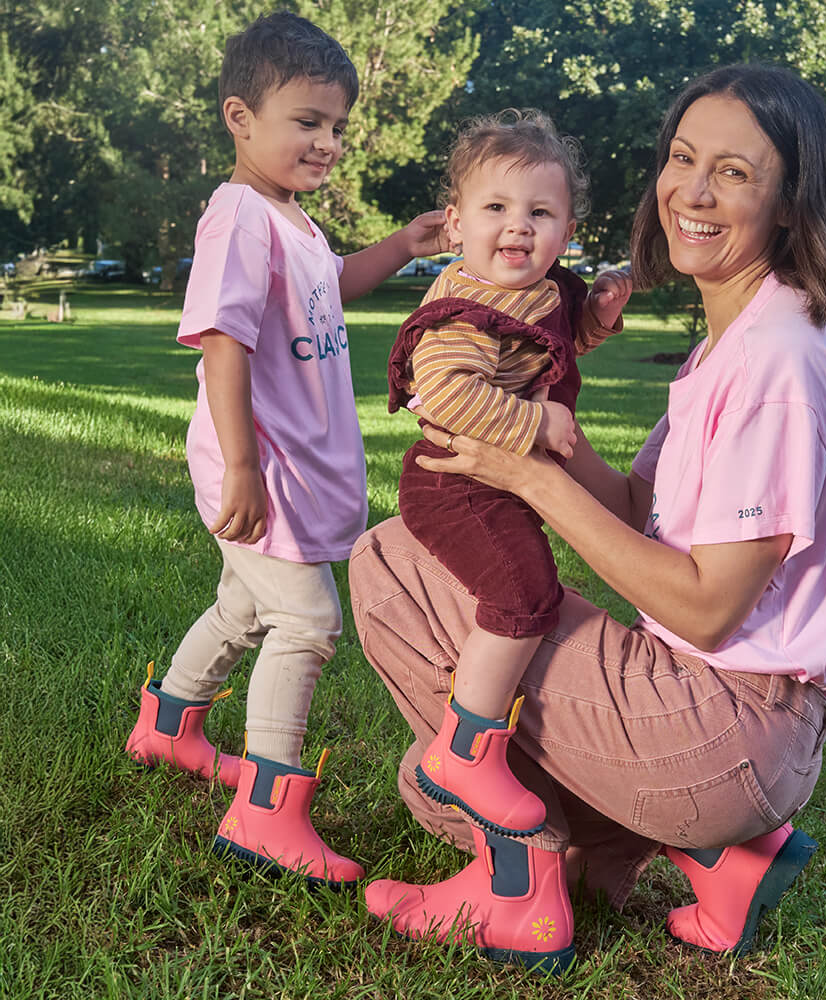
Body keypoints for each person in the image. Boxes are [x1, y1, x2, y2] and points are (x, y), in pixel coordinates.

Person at [349, 63, 826, 973]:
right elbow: (645, 508)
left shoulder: (775, 366)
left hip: (725, 723)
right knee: (435, 764)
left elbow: (710, 607)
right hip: (742, 726)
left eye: (737, 173)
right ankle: (714, 857)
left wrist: (530, 476)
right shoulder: (743, 334)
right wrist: (556, 442)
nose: (694, 191)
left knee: (389, 564)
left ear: (794, 204)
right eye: (683, 158)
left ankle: (518, 893)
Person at [125, 10, 447, 890]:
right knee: (305, 621)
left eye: (337, 126)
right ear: (241, 117)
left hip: (298, 472)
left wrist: (403, 247)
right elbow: (223, 341)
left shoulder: (292, 221)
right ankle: (266, 814)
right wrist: (241, 467)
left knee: (242, 609)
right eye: (307, 121)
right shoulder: (237, 217)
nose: (328, 141)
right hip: (259, 471)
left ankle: (167, 728)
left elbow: (329, 286)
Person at [385, 109, 631, 841]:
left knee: (528, 587)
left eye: (540, 212)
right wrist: (537, 425)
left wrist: (601, 320)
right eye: (496, 208)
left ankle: (502, 722)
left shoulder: (538, 289)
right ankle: (466, 748)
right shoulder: (463, 312)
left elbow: (550, 344)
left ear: (568, 228)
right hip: (454, 482)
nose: (517, 226)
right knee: (525, 596)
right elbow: (451, 396)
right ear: (455, 224)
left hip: (498, 478)